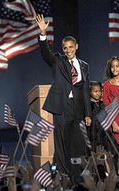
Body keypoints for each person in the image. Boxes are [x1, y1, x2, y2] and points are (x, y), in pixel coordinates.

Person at [36, 14, 91, 177]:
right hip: (62, 106)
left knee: (78, 142)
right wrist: (43, 34)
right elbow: (46, 53)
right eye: (65, 48)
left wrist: (88, 112)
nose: (68, 50)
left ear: (76, 47)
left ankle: (78, 173)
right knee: (61, 142)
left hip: (78, 108)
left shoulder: (84, 66)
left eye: (70, 47)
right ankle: (62, 173)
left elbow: (86, 90)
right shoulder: (58, 60)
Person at [88, 81, 109, 151]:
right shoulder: (89, 105)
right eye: (95, 91)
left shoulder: (102, 104)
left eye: (99, 91)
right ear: (90, 92)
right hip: (92, 131)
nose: (98, 93)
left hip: (102, 131)